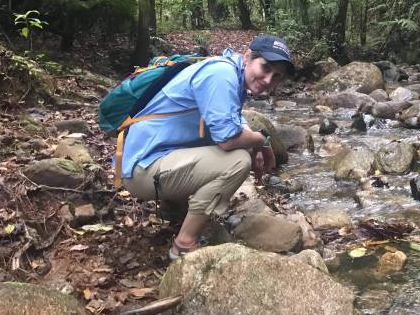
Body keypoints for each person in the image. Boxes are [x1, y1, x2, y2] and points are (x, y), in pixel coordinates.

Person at [120, 35, 294, 260]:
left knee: (238, 148)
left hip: (148, 160)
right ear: (247, 57)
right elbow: (227, 139)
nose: (269, 79)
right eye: (266, 67)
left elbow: (233, 119)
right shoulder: (222, 75)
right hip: (143, 170)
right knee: (238, 160)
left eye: (277, 76)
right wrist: (261, 140)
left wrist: (259, 143)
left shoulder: (229, 72)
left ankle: (173, 209)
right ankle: (184, 244)